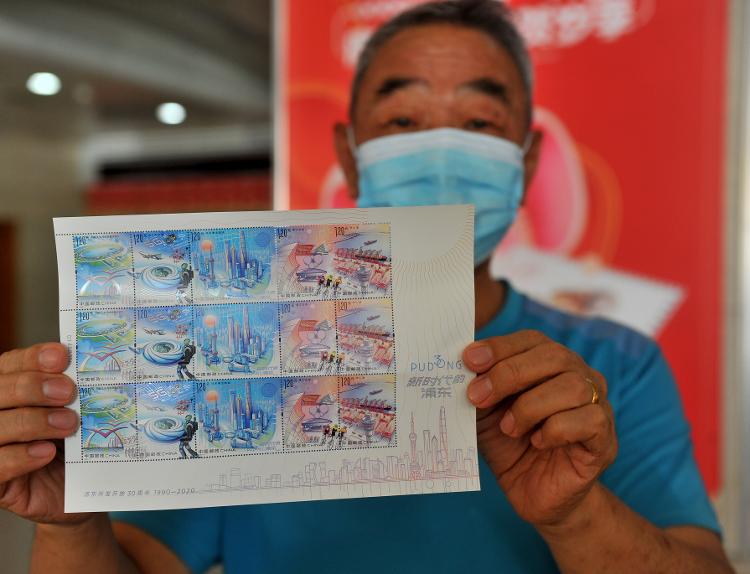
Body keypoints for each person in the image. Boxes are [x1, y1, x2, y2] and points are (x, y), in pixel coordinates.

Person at [0, 1, 733, 573]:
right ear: (350, 158)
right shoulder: (233, 361)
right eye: (403, 119)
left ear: (528, 161)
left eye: (479, 121)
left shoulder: (613, 367)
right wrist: (70, 524)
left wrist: (577, 515)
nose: (440, 151)